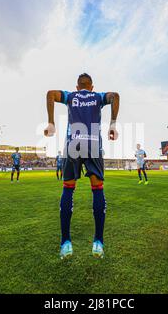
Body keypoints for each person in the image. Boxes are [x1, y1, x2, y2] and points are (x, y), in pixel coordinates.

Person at [44, 73, 120, 259]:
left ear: (77, 87)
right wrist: (113, 124)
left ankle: (65, 243)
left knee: (68, 189)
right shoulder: (98, 97)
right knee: (97, 189)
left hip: (73, 144)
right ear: (92, 87)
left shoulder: (71, 96)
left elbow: (50, 94)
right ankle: (98, 243)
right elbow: (115, 96)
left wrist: (51, 122)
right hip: (93, 143)